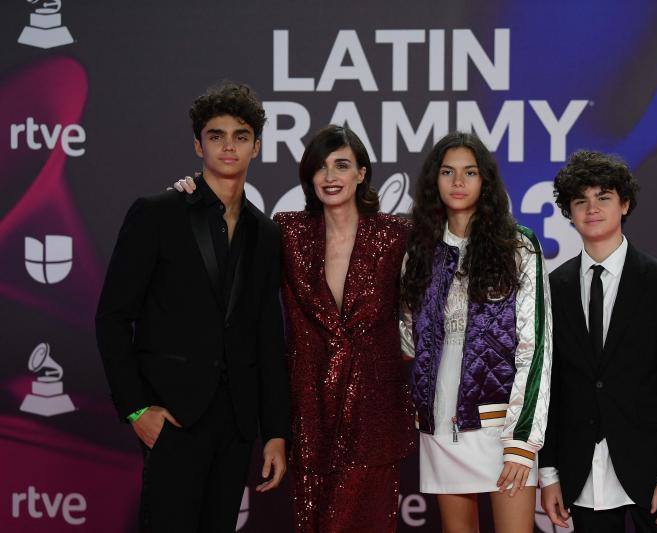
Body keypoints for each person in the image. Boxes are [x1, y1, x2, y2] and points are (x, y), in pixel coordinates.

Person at [175, 124, 416, 533]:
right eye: (320, 167)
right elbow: (230, 233)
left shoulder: (396, 235)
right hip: (310, 415)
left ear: (361, 173)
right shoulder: (286, 230)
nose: (330, 176)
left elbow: (423, 312)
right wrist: (196, 196)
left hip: (374, 418)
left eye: (342, 165)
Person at [95, 82, 290, 533]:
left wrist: (274, 431)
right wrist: (137, 410)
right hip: (172, 415)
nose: (228, 146)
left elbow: (266, 335)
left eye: (240, 136)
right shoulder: (158, 213)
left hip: (237, 423)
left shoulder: (266, 234)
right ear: (197, 143)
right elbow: (113, 317)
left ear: (256, 146)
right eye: (216, 135)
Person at [399, 131, 552, 532]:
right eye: (448, 172)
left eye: (469, 172)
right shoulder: (418, 250)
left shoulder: (518, 246)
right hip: (440, 422)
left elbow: (535, 348)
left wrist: (521, 441)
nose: (458, 182)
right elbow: (406, 337)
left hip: (502, 425)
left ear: (485, 181)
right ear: (435, 181)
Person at [539, 150, 657, 532]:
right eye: (581, 201)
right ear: (569, 212)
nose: (592, 208)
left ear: (624, 204)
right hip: (581, 473)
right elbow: (550, 386)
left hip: (653, 473)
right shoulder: (554, 287)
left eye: (604, 197)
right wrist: (549, 473)